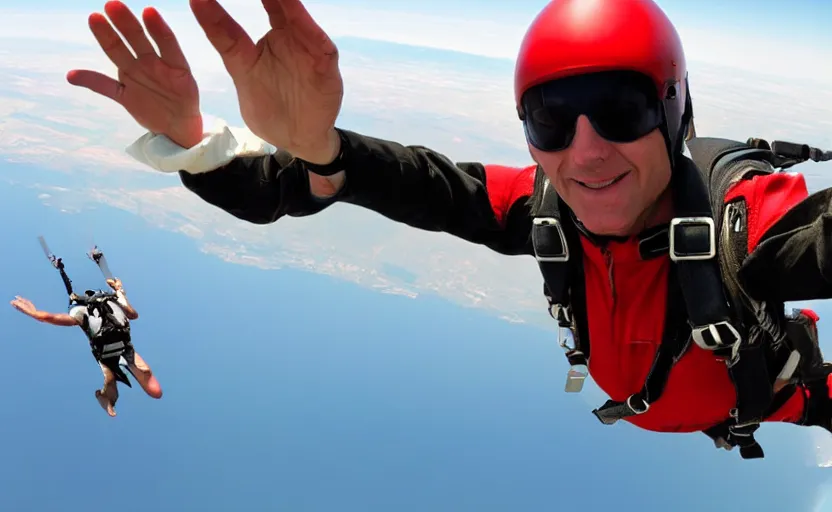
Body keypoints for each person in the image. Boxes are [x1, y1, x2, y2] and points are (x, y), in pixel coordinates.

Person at [67, 0, 832, 457]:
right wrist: (243, 145)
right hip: (701, 405)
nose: (588, 150)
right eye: (553, 119)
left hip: (786, 396)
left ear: (672, 114)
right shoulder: (545, 211)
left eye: (624, 110)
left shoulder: (746, 226)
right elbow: (387, 183)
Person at [11, 275, 163, 417]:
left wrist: (119, 291)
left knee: (154, 388)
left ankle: (110, 391)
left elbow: (133, 314)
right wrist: (38, 314)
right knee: (111, 382)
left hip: (124, 346)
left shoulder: (114, 301)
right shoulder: (83, 312)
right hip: (106, 352)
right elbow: (60, 319)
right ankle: (105, 396)